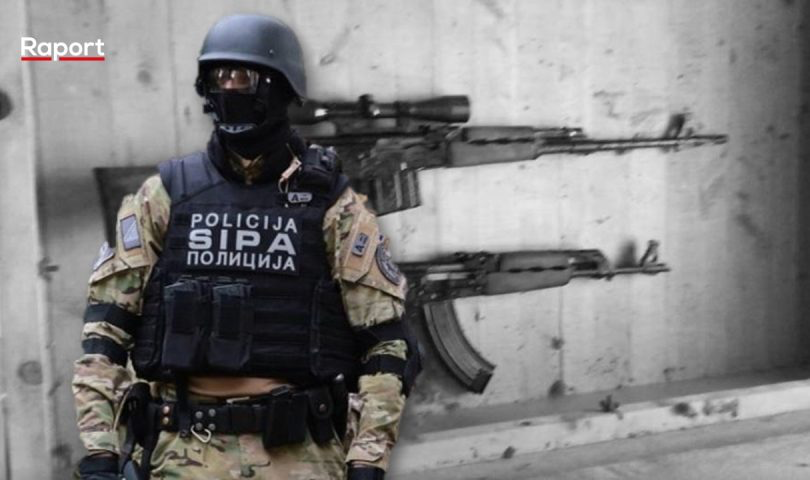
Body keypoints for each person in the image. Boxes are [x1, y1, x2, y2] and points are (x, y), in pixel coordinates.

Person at [73, 13, 419, 480]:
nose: (229, 88)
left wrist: (367, 461)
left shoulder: (333, 206)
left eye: (243, 77)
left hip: (298, 453)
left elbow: (386, 346)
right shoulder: (165, 196)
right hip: (180, 452)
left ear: (279, 86)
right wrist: (100, 452)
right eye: (219, 77)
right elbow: (105, 332)